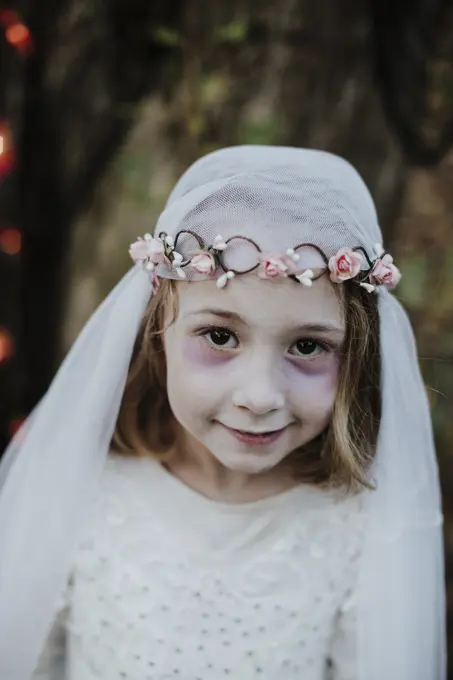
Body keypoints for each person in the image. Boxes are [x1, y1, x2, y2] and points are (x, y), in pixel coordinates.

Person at [0, 146, 446, 680]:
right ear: (157, 330)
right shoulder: (79, 492)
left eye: (308, 347)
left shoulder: (358, 530)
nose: (259, 396)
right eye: (219, 336)